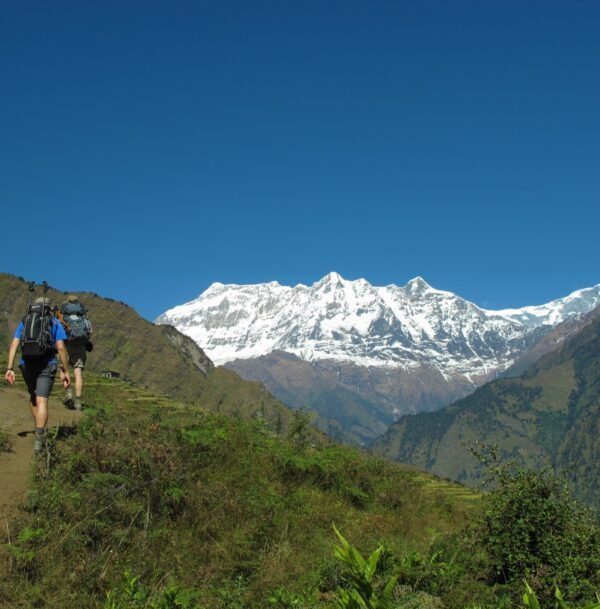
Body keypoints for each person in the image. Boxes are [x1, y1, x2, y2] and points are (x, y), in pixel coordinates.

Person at [5, 297, 71, 454]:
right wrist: (65, 371)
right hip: (47, 364)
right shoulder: (54, 322)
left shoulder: (26, 321)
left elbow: (14, 343)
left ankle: (37, 428)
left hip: (26, 364)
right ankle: (39, 440)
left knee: (33, 396)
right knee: (42, 400)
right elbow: (61, 348)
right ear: (49, 308)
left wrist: (9, 368)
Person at [60, 294, 92, 411]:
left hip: (66, 345)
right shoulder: (83, 316)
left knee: (64, 369)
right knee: (78, 373)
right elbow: (89, 331)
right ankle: (78, 401)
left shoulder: (63, 314)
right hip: (80, 346)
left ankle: (68, 394)